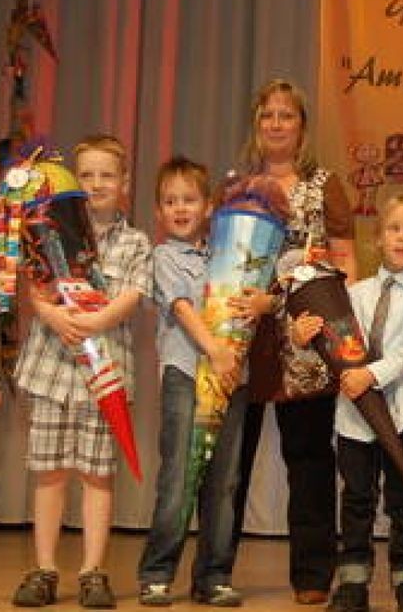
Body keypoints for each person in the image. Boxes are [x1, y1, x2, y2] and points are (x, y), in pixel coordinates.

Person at [227, 79, 359, 605]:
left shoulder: (323, 185)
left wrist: (333, 325)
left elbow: (346, 262)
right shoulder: (235, 186)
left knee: (307, 460)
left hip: (305, 341)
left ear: (302, 126)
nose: (277, 124)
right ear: (257, 125)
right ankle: (215, 569)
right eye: (268, 115)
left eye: (287, 115)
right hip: (241, 340)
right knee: (230, 464)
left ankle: (312, 573)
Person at [11, 134, 152, 608]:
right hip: (52, 369)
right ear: (74, 181)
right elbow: (35, 289)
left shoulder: (135, 242)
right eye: (86, 175)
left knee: (96, 476)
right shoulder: (49, 229)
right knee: (50, 473)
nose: (96, 184)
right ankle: (44, 568)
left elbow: (132, 296)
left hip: (103, 373)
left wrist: (93, 321)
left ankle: (93, 571)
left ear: (124, 182)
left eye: (106, 175)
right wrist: (54, 316)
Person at [301, 192, 403, 612]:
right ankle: (352, 581)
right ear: (377, 239)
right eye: (394, 228)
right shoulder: (355, 292)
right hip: (354, 419)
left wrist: (372, 374)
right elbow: (340, 346)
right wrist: (307, 339)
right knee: (357, 499)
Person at [136, 157, 265, 607]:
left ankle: (213, 574)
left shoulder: (232, 253)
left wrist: (262, 302)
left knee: (224, 481)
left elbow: (252, 294)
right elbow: (183, 310)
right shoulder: (164, 256)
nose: (180, 208)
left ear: (209, 206)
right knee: (178, 475)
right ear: (158, 211)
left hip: (233, 377)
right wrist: (215, 349)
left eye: (189, 199)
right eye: (170, 201)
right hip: (187, 375)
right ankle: (157, 573)